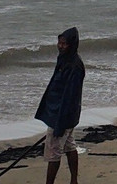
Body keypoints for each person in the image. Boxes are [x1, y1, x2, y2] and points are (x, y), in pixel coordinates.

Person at [35, 27, 85, 184]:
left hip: (62, 115)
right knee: (70, 146)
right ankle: (74, 182)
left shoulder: (74, 66)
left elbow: (70, 97)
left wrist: (60, 124)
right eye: (59, 42)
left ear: (72, 44)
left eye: (64, 43)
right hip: (62, 114)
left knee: (53, 153)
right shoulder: (64, 59)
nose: (61, 46)